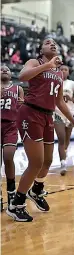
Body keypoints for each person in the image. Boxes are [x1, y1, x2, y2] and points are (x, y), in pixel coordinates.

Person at [6, 38, 74, 222]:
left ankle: (36, 190)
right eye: (48, 43)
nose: (53, 44)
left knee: (48, 161)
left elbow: (59, 102)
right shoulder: (35, 62)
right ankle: (16, 204)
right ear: (41, 49)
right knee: (36, 162)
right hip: (30, 113)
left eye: (55, 43)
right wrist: (47, 64)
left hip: (48, 116)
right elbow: (23, 76)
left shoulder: (57, 73)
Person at [0, 66, 24, 212]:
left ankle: (11, 193)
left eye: (7, 70)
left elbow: (22, 106)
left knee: (8, 157)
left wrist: (22, 104)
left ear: (11, 75)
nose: (4, 70)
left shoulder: (18, 89)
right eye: (1, 69)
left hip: (11, 126)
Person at [54, 65, 74, 176]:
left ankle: (64, 153)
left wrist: (71, 99)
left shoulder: (72, 84)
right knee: (61, 138)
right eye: (61, 69)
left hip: (70, 113)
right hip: (57, 113)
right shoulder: (54, 82)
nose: (63, 71)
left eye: (65, 70)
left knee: (66, 140)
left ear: (68, 73)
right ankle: (63, 163)